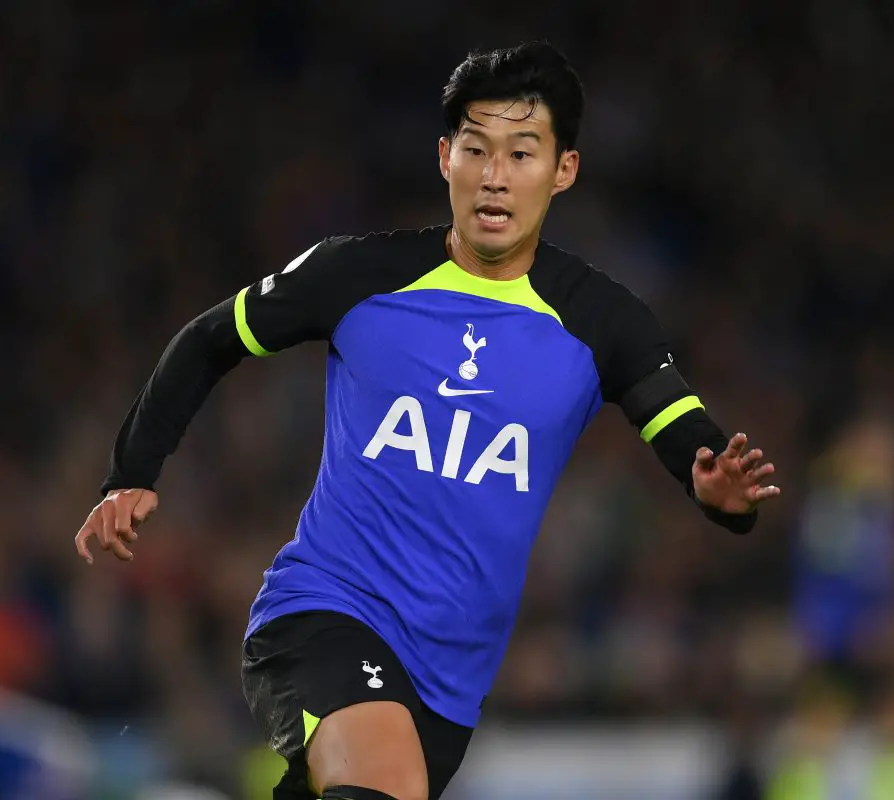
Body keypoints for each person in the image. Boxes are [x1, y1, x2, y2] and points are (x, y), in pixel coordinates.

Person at [74, 42, 781, 800]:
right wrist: (131, 475)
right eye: (476, 149)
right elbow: (208, 340)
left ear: (564, 170)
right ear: (446, 158)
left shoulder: (600, 321)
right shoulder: (360, 275)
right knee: (384, 787)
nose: (495, 176)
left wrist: (717, 489)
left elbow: (688, 436)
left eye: (521, 152)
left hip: (448, 683)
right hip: (325, 613)